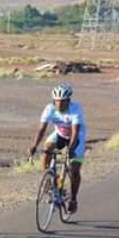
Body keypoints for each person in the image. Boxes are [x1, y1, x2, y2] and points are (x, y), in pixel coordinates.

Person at [28, 83, 86, 214]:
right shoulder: (49, 109)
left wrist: (70, 149)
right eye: (57, 101)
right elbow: (42, 129)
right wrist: (34, 145)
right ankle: (52, 180)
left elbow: (75, 132)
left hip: (76, 137)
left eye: (63, 102)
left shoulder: (75, 109)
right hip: (59, 134)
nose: (59, 104)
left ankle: (73, 199)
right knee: (47, 148)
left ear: (68, 101)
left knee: (74, 169)